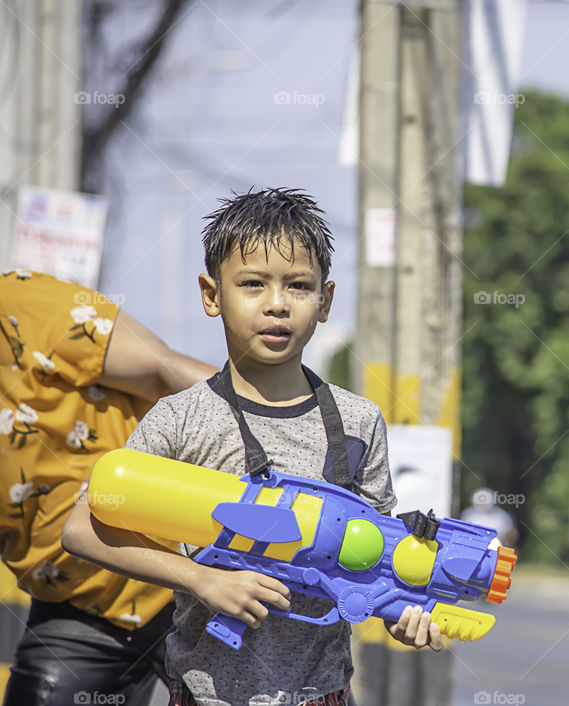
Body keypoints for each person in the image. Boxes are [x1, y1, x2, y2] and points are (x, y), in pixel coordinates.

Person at [63, 188, 443, 706]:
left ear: (325, 301)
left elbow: (371, 564)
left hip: (323, 693)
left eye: (299, 286)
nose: (277, 303)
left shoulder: (359, 421)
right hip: (206, 694)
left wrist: (406, 615)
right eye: (253, 284)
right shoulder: (182, 418)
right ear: (212, 294)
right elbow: (82, 529)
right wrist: (201, 580)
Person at [0, 268, 216, 706]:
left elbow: (163, 370)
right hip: (79, 607)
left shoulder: (18, 304)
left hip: (199, 572)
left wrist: (277, 431)